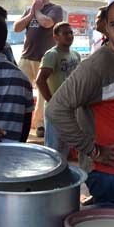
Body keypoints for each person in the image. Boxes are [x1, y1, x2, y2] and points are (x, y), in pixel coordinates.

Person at [47, 0, 114, 209]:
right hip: (109, 174)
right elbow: (56, 109)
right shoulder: (96, 66)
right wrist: (93, 151)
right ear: (106, 27)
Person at [14, 0, 64, 137]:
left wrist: (37, 11)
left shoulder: (55, 9)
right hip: (26, 57)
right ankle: (19, 119)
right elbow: (17, 28)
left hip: (45, 58)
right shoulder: (30, 10)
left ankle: (40, 124)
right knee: (19, 88)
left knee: (43, 93)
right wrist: (31, 13)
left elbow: (47, 23)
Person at [36, 22, 81, 157]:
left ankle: (62, 177)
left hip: (71, 108)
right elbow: (40, 80)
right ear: (56, 37)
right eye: (65, 33)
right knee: (53, 150)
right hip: (56, 109)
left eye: (71, 32)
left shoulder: (75, 55)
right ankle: (51, 177)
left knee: (65, 147)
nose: (69, 36)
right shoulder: (52, 55)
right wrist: (52, 102)